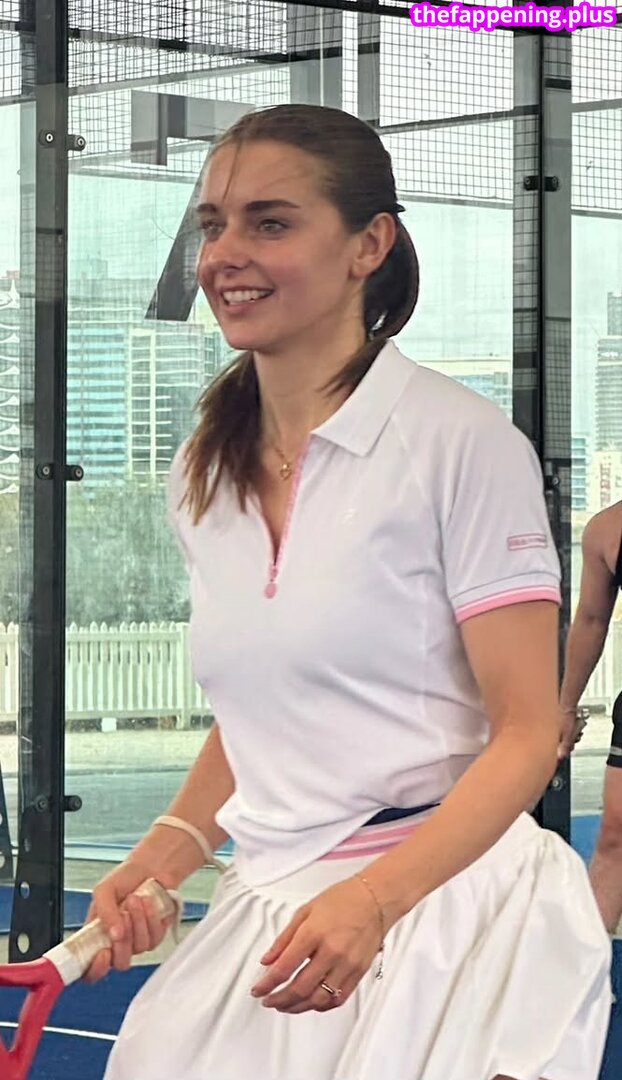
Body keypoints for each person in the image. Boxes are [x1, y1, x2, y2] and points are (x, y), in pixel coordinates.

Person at [87, 104, 611, 1080]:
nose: (225, 255)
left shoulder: (463, 445)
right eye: (213, 224)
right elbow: (266, 712)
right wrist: (166, 851)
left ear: (369, 245)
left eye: (270, 222)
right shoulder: (202, 471)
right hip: (276, 910)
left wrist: (376, 899)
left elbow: (527, 733)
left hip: (460, 917)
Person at [559, 499, 622, 934]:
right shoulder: (606, 530)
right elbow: (592, 620)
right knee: (616, 834)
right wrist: (565, 706)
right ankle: (589, 963)